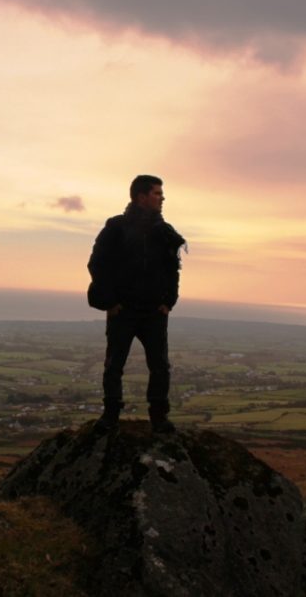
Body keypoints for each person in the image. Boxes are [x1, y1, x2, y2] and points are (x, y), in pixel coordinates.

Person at [87, 174, 186, 433]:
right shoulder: (116, 227)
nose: (162, 198)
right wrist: (110, 302)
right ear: (141, 197)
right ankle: (110, 415)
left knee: (160, 366)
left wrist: (168, 302)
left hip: (154, 311)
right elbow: (97, 264)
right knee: (114, 365)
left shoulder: (164, 232)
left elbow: (173, 269)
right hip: (124, 310)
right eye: (157, 193)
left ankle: (159, 417)